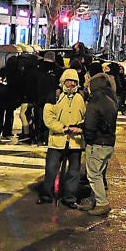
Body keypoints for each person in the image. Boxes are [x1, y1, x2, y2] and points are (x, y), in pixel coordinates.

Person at [39, 69, 87, 207]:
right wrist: (62, 128)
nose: (72, 84)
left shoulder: (81, 97)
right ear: (63, 81)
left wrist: (80, 128)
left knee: (74, 171)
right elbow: (48, 118)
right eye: (69, 80)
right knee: (51, 170)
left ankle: (69, 198)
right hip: (57, 141)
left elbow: (86, 116)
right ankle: (46, 195)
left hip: (75, 142)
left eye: (74, 81)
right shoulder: (55, 96)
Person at [81, 71, 118, 216]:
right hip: (108, 142)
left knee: (93, 175)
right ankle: (94, 200)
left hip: (97, 142)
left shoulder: (95, 100)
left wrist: (87, 136)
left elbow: (90, 124)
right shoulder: (110, 99)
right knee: (99, 173)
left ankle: (102, 203)